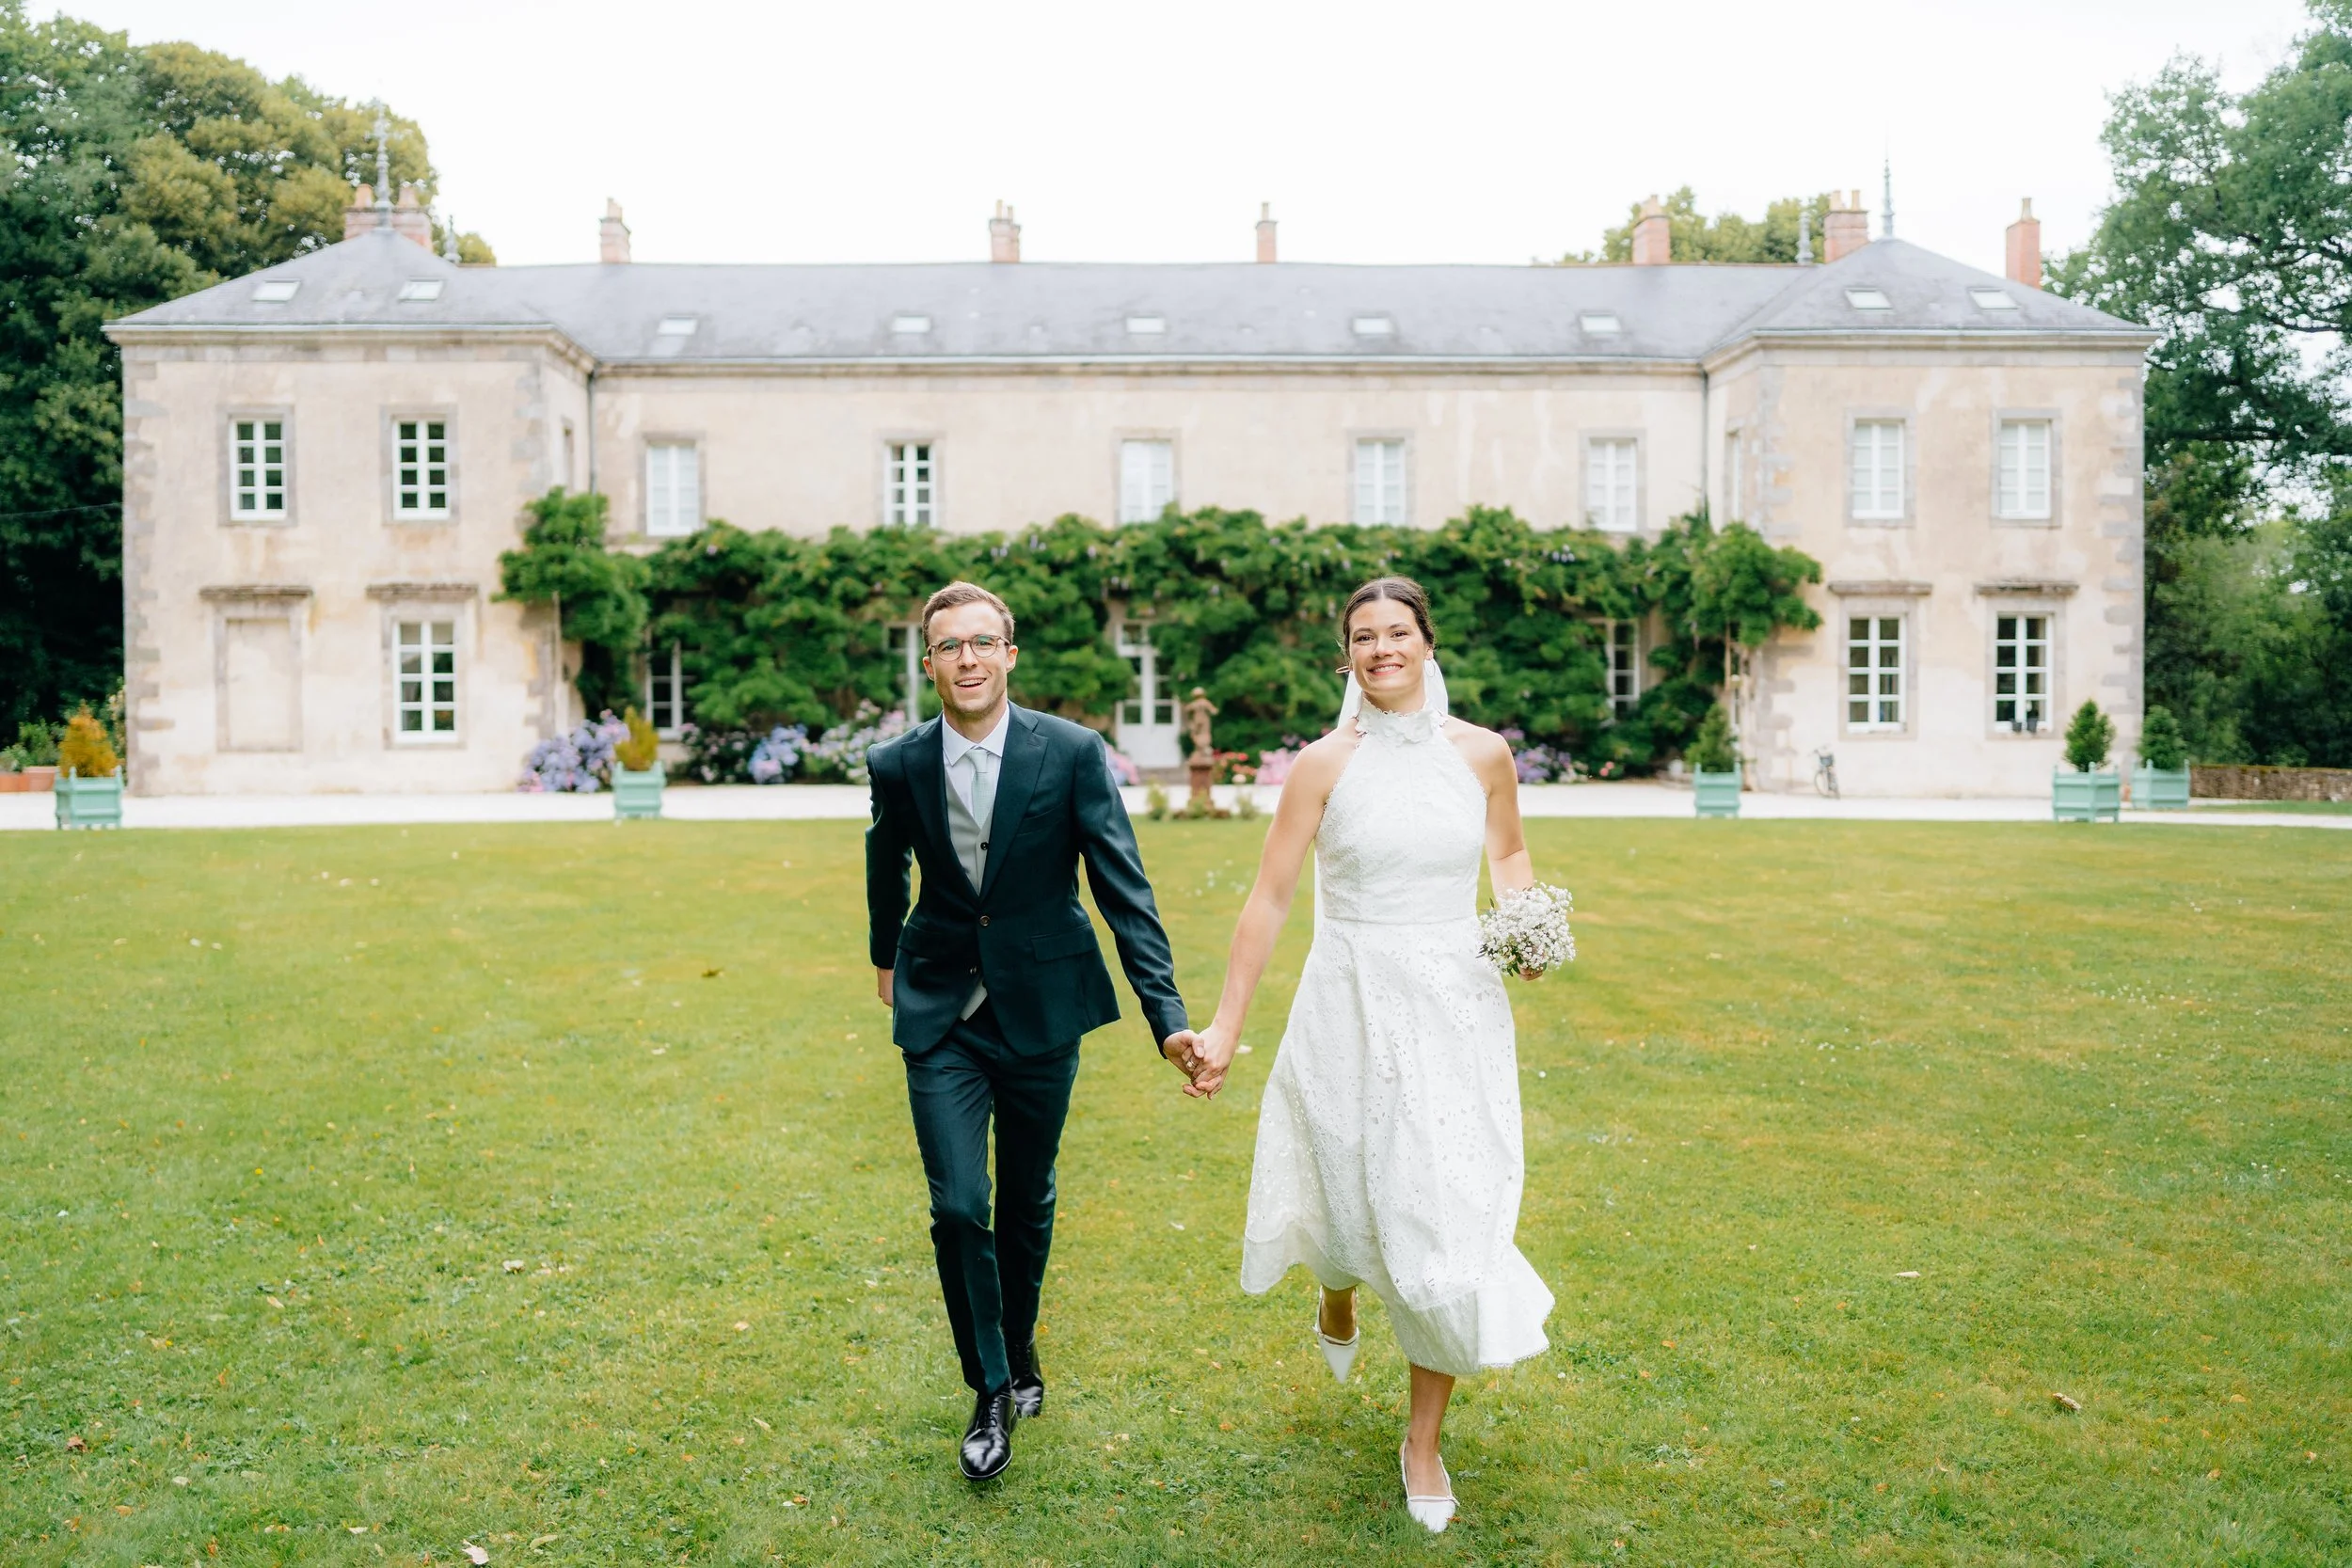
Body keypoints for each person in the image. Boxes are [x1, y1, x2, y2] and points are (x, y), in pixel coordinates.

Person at [1184, 575, 1553, 1534]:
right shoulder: (1320, 765)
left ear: (1427, 642)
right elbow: (1268, 898)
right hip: (1348, 993)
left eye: (1397, 631)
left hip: (1453, 1001)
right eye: (1363, 636)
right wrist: (1223, 1026)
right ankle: (1335, 1282)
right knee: (1351, 1186)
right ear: (1346, 654)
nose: (1381, 647)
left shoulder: (1482, 754)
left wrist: (1526, 923)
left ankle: (1421, 1439)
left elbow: (1506, 854)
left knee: (1444, 1207)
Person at [866, 581, 1201, 1481]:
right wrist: (882, 954)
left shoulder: (1074, 753)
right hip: (940, 1014)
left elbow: (1123, 889)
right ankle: (991, 1387)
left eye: (983, 642)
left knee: (1026, 1196)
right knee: (958, 1205)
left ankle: (1020, 1339)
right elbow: (884, 854)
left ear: (1010, 655)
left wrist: (1165, 1018)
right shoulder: (898, 762)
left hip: (1042, 1011)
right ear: (928, 662)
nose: (966, 658)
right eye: (948, 646)